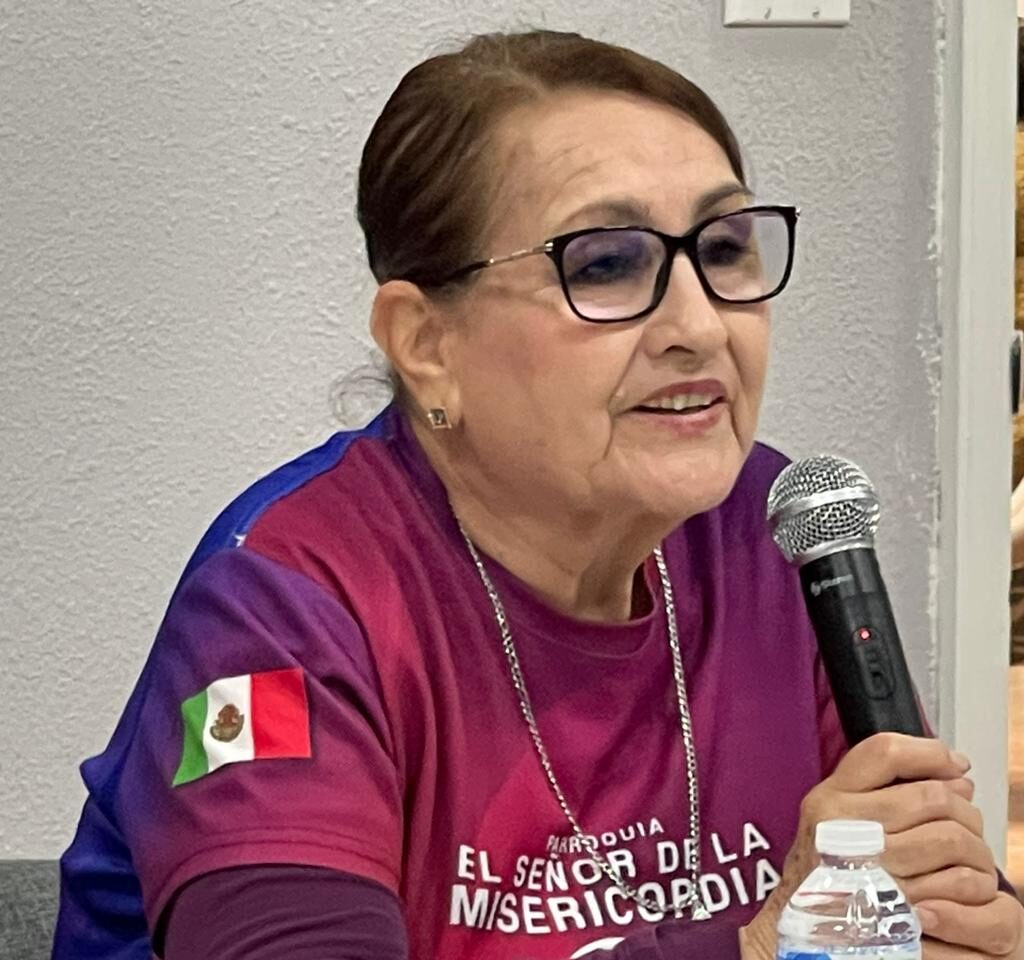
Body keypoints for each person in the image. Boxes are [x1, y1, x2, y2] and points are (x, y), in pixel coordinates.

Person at [53, 30, 1022, 960]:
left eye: (725, 249)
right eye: (606, 264)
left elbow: (929, 908)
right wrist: (765, 947)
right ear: (427, 345)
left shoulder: (768, 525)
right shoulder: (285, 598)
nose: (699, 325)